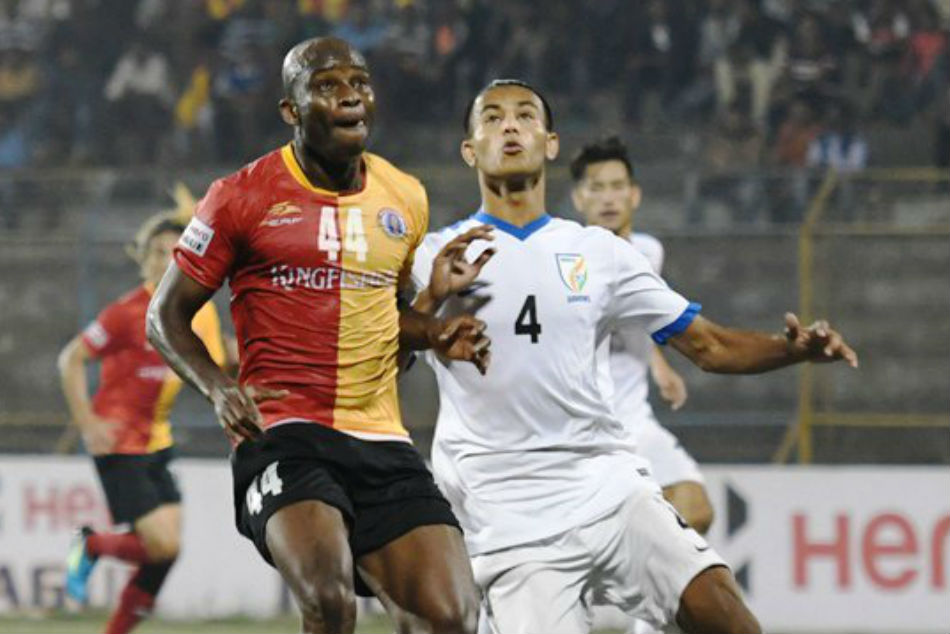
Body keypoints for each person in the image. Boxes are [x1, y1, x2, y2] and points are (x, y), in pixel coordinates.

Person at [410, 79, 858, 634]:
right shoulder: (434, 254)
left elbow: (709, 346)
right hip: (509, 515)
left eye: (525, 115)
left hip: (608, 486)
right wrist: (429, 305)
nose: (509, 126)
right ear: (469, 150)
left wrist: (791, 350)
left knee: (727, 615)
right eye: (492, 118)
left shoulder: (600, 253)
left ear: (550, 143)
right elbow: (381, 348)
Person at [145, 37, 487, 634]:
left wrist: (432, 330)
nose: (350, 95)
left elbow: (383, 319)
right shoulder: (240, 196)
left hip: (380, 438)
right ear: (292, 109)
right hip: (283, 434)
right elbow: (164, 316)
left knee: (451, 616)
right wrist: (219, 388)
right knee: (330, 601)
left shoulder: (405, 197)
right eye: (327, 85)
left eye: (359, 82)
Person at [59, 208, 228, 634]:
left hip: (157, 439)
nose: (163, 259)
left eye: (173, 251)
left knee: (164, 555)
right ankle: (91, 544)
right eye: (155, 251)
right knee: (162, 545)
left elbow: (213, 363)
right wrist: (87, 423)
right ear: (143, 258)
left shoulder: (197, 311)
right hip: (119, 441)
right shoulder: (126, 312)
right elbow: (71, 359)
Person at [571, 135, 714, 536]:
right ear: (579, 199)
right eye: (597, 188)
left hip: (635, 419)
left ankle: (623, 560)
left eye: (617, 186)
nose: (608, 198)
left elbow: (639, 311)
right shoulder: (567, 260)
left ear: (634, 195)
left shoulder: (649, 253)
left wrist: (659, 364)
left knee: (696, 508)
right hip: (583, 427)